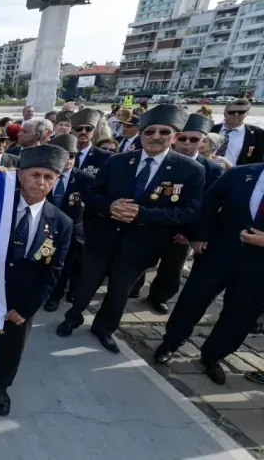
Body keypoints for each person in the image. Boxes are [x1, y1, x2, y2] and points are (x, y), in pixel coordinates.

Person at [56, 105, 205, 353]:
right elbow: (92, 193)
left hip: (142, 244)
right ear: (142, 134)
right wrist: (110, 206)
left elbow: (189, 211)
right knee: (86, 284)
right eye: (150, 131)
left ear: (175, 136)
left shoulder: (189, 170)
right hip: (103, 238)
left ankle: (104, 329)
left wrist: (142, 214)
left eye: (163, 131)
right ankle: (72, 317)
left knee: (119, 291)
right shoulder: (119, 161)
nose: (155, 136)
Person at [0, 144, 73, 416]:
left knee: (12, 349)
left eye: (49, 177)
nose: (41, 182)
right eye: (35, 174)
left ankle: (0, 387)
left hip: (22, 300)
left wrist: (27, 309)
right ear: (21, 174)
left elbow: (54, 271)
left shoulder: (61, 222)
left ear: (56, 181)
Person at [153, 161, 264, 385]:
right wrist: (199, 235)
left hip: (258, 268)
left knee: (240, 314)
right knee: (193, 300)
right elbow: (207, 204)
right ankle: (171, 342)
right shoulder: (240, 173)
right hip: (217, 253)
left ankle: (212, 356)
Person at [138, 113, 224, 313]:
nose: (186, 144)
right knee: (141, 258)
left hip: (183, 229)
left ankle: (159, 296)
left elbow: (208, 206)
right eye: (183, 138)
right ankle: (134, 287)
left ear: (203, 141)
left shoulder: (211, 170)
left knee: (172, 267)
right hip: (150, 220)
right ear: (175, 137)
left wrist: (192, 233)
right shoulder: (157, 158)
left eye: (194, 139)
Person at [43, 134, 94, 311]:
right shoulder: (44, 174)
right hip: (45, 230)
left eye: (72, 155)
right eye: (64, 155)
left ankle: (55, 296)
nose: (68, 160)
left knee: (64, 266)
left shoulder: (85, 180)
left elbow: (92, 209)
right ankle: (42, 291)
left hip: (72, 233)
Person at [211, 98, 264, 166]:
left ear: (246, 114)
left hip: (238, 174)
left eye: (241, 112)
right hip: (209, 173)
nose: (236, 115)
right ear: (224, 114)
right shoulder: (211, 129)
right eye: (231, 112)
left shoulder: (258, 134)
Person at [69, 108, 112, 176]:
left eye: (88, 129)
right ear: (71, 130)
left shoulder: (106, 157)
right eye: (79, 129)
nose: (83, 132)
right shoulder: (64, 153)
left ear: (93, 131)